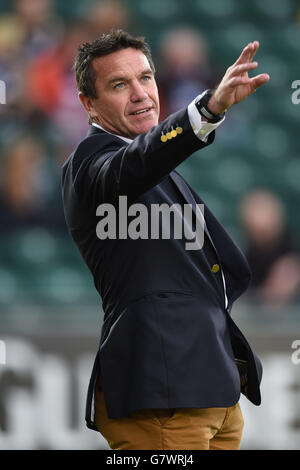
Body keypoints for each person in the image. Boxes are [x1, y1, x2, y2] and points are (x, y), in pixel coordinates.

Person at [61, 30, 269, 450]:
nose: (140, 94)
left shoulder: (149, 162)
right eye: (119, 85)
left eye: (145, 78)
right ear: (88, 103)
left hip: (209, 386)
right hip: (162, 391)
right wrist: (207, 110)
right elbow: (138, 163)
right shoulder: (91, 163)